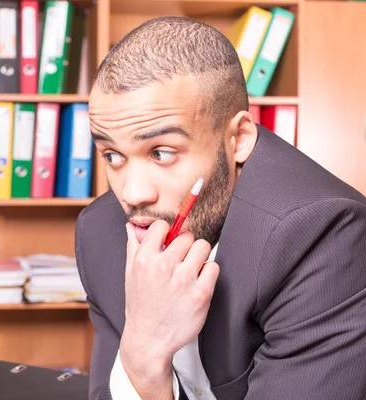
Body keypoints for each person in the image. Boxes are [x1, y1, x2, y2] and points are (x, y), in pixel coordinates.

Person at [74, 15, 366, 400]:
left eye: (161, 153)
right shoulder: (99, 233)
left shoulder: (324, 233)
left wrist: (143, 363)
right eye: (112, 155)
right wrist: (143, 353)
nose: (132, 193)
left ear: (239, 139)